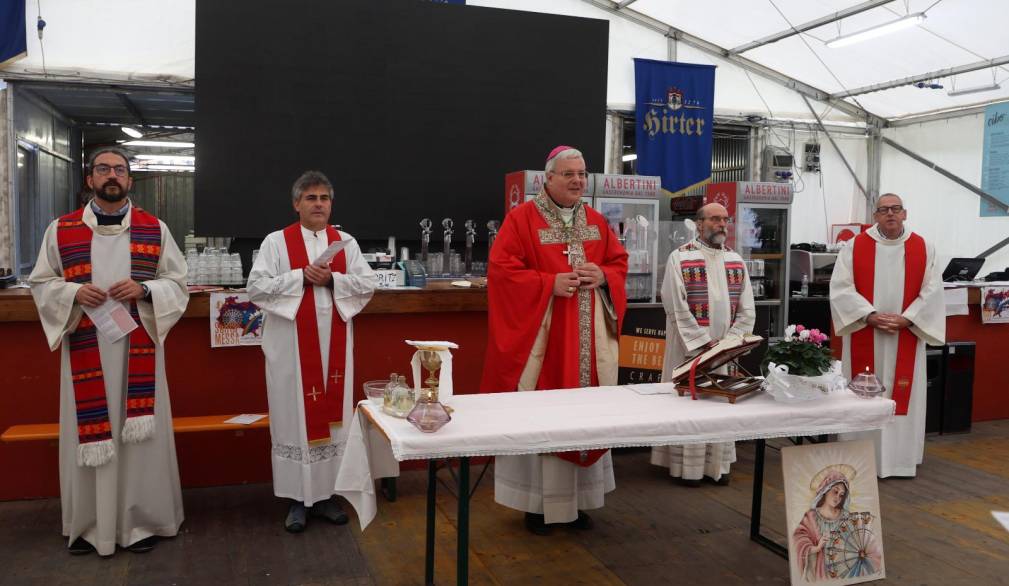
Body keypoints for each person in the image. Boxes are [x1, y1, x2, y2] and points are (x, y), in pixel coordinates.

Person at [29, 147, 189, 556]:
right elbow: (42, 283)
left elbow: (178, 283)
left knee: (140, 439)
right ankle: (88, 525)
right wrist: (72, 291)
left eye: (119, 169)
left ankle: (141, 522)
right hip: (86, 346)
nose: (111, 175)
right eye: (103, 169)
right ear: (90, 179)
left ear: (130, 180)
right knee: (90, 433)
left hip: (139, 348)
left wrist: (146, 289)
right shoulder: (61, 230)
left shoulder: (155, 229)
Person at [481, 146, 628, 535]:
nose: (578, 180)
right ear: (547, 178)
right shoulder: (521, 220)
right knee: (544, 413)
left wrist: (602, 276)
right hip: (545, 343)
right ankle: (537, 505)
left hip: (588, 341)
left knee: (585, 417)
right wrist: (548, 284)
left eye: (582, 174)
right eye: (568, 174)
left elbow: (618, 263)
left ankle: (578, 503)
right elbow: (501, 272)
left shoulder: (596, 221)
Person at [247, 170, 378, 532]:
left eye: (324, 198)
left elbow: (366, 285)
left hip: (333, 347)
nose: (318, 203)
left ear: (331, 204)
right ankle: (296, 500)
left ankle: (327, 496)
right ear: (296, 204)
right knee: (295, 419)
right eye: (310, 198)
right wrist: (300, 277)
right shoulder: (276, 242)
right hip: (290, 349)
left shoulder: (345, 242)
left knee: (334, 420)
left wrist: (333, 279)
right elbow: (256, 288)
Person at [829, 193, 944, 478]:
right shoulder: (855, 246)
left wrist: (909, 318)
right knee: (862, 396)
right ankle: (857, 460)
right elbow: (841, 287)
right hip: (866, 332)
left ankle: (900, 461)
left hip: (906, 334)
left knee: (901, 394)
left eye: (896, 209)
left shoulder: (923, 247)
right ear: (875, 216)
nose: (890, 214)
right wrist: (869, 315)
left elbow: (933, 291)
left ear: (905, 213)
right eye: (884, 210)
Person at [651, 203, 755, 486]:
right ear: (699, 224)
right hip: (691, 346)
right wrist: (701, 340)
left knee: (720, 403)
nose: (721, 224)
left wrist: (731, 342)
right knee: (692, 404)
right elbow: (674, 303)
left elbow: (747, 307)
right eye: (714, 219)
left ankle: (717, 466)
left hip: (724, 350)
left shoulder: (735, 260)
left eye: (725, 219)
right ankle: (686, 469)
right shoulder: (681, 257)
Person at [792, 467, 883, 581]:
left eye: (841, 495)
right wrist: (817, 547)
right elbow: (798, 539)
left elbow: (857, 541)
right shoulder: (811, 516)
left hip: (842, 571)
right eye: (835, 491)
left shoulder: (845, 516)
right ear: (825, 490)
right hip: (817, 572)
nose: (837, 498)